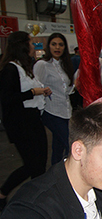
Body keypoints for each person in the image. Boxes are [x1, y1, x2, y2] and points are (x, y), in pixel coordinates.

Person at [0, 31, 52, 208]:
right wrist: (33, 92)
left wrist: (42, 91)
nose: (33, 46)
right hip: (21, 123)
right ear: (22, 45)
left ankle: (38, 200)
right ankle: (3, 192)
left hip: (33, 119)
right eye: (30, 42)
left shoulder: (26, 67)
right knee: (31, 164)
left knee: (39, 164)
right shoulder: (10, 69)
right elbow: (7, 99)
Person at [34, 32, 75, 165]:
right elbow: (35, 87)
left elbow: (66, 90)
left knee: (58, 149)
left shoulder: (64, 65)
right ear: (48, 46)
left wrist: (76, 84)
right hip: (51, 112)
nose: (57, 47)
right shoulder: (42, 65)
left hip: (66, 111)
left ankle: (55, 178)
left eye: (61, 45)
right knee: (71, 146)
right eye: (54, 44)